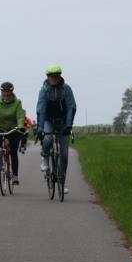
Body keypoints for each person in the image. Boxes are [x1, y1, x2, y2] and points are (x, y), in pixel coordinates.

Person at [35, 64, 76, 195]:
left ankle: (62, 183)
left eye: (56, 76)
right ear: (47, 77)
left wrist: (69, 126)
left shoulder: (66, 89)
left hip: (63, 123)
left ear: (60, 76)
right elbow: (41, 110)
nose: (54, 78)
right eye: (51, 76)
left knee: (64, 155)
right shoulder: (44, 90)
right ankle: (44, 157)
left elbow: (71, 107)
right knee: (47, 139)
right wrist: (40, 128)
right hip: (49, 121)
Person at [0, 82, 27, 184]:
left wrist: (20, 126)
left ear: (12, 92)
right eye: (4, 92)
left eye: (8, 92)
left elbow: (20, 116)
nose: (6, 94)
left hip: (14, 129)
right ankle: (0, 161)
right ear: (1, 92)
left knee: (13, 152)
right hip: (1, 128)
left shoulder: (17, 102)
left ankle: (15, 176)